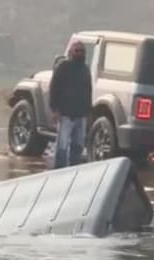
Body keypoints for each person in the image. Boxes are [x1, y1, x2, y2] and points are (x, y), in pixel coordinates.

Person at [49, 40, 92, 169]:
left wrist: (89, 112)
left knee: (78, 146)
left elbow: (88, 91)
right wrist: (54, 109)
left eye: (82, 51)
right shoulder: (63, 67)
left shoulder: (85, 70)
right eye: (77, 50)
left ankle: (73, 171)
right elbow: (53, 88)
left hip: (81, 115)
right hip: (66, 115)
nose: (79, 53)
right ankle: (59, 172)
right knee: (62, 146)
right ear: (71, 52)